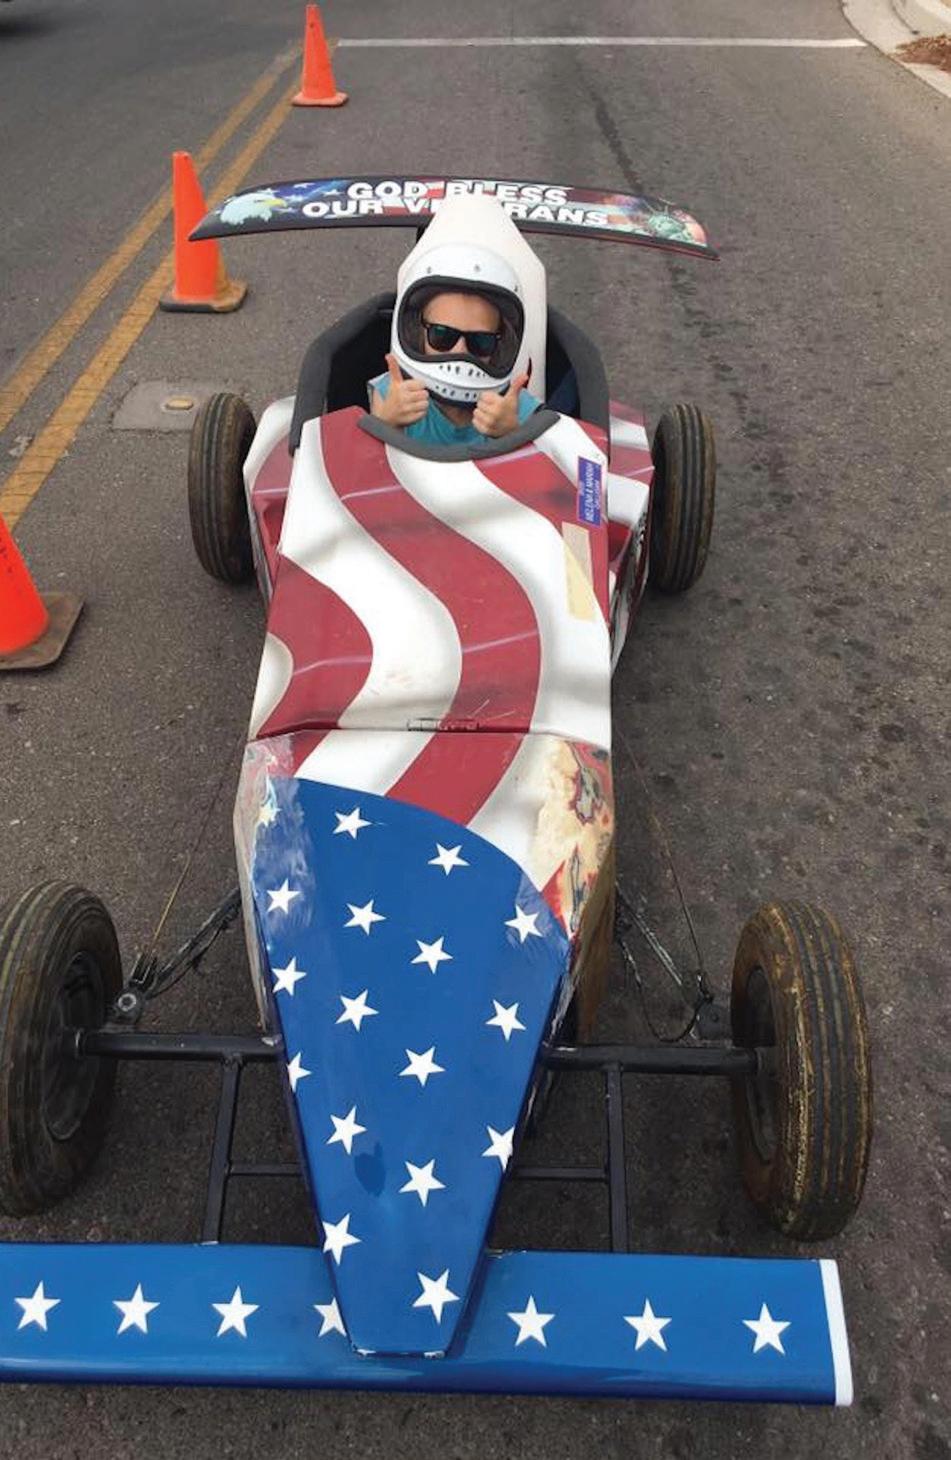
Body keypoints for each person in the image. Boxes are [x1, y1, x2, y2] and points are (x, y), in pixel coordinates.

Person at [368, 240, 540, 447]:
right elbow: (373, 462)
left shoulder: (515, 408)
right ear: (416, 332)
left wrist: (512, 434)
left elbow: (540, 465)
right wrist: (388, 423)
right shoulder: (392, 395)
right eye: (443, 336)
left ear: (501, 344)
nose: (461, 351)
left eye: (480, 341)